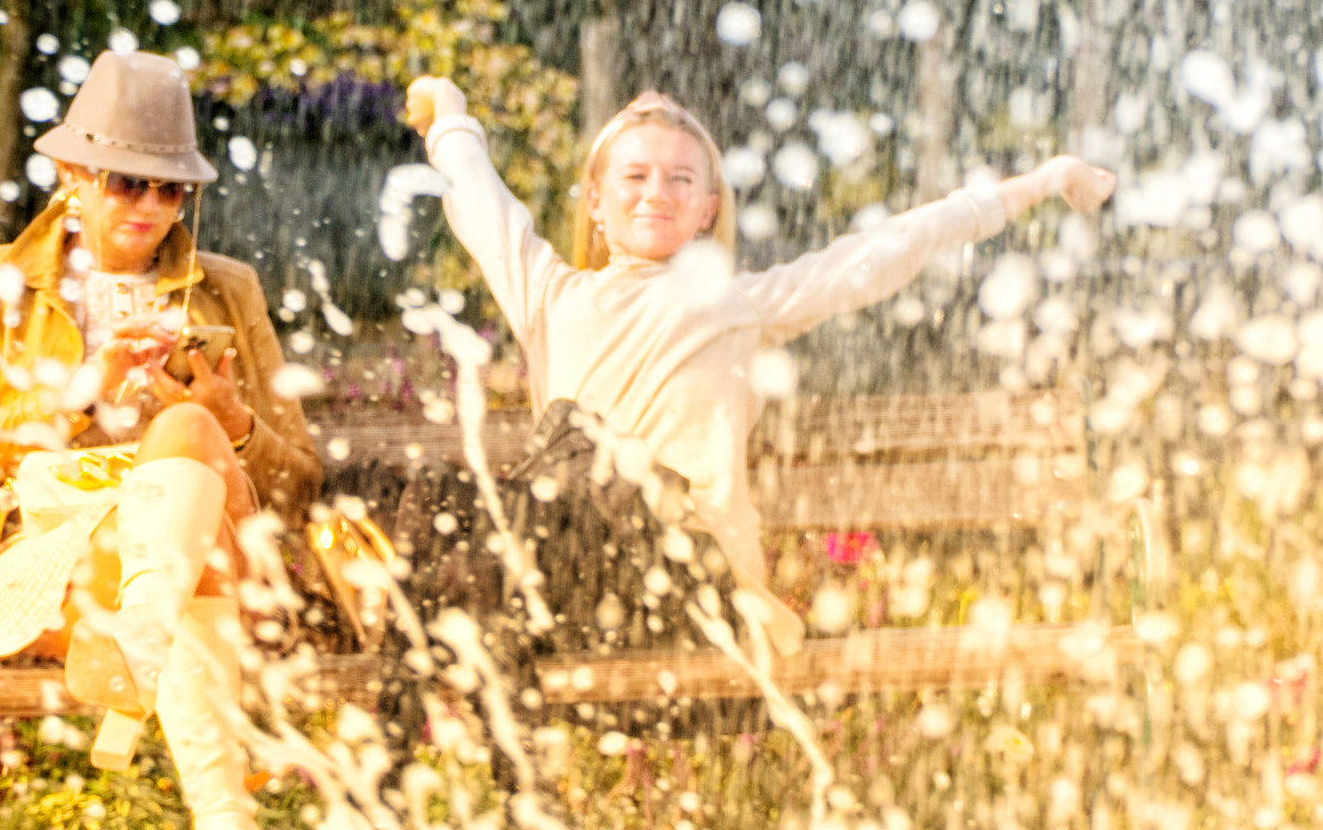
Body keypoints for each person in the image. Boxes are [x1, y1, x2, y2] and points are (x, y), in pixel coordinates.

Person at [402, 76, 1115, 670]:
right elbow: (481, 202)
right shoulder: (550, 296)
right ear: (595, 200)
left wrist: (1043, 181)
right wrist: (451, 117)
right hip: (568, 588)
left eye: (682, 179)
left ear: (708, 209)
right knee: (459, 494)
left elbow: (890, 248)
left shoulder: (744, 304)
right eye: (635, 176)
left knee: (577, 449)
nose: (657, 193)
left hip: (687, 590)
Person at [0, 50, 321, 830]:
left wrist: (233, 422)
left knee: (189, 427)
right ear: (72, 172)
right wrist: (79, 392)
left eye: (172, 187)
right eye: (127, 181)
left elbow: (301, 483)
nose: (151, 203)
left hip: (222, 559)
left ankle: (143, 642)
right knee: (186, 526)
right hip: (64, 568)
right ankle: (223, 811)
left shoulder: (228, 288)